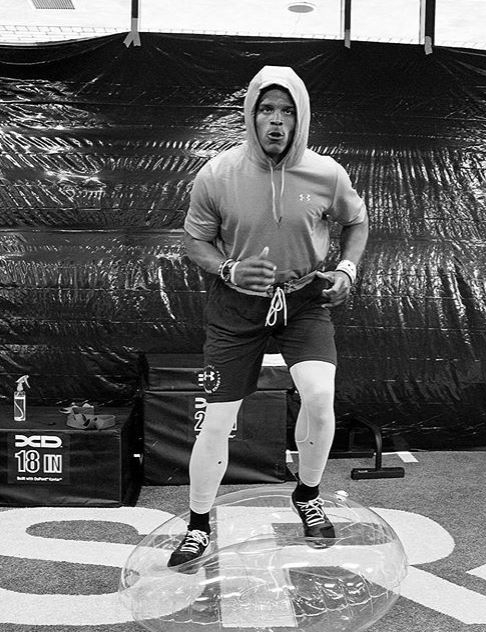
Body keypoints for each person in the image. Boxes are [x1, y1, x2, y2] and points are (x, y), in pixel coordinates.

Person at [168, 65, 369, 568]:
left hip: (303, 301)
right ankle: (198, 525)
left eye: (287, 111)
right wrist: (229, 268)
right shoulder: (217, 175)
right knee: (217, 420)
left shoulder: (326, 173)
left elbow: (357, 221)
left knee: (319, 397)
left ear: (301, 118)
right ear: (251, 115)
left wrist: (345, 269)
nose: (276, 121)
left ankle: (308, 494)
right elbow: (195, 241)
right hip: (237, 305)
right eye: (267, 109)